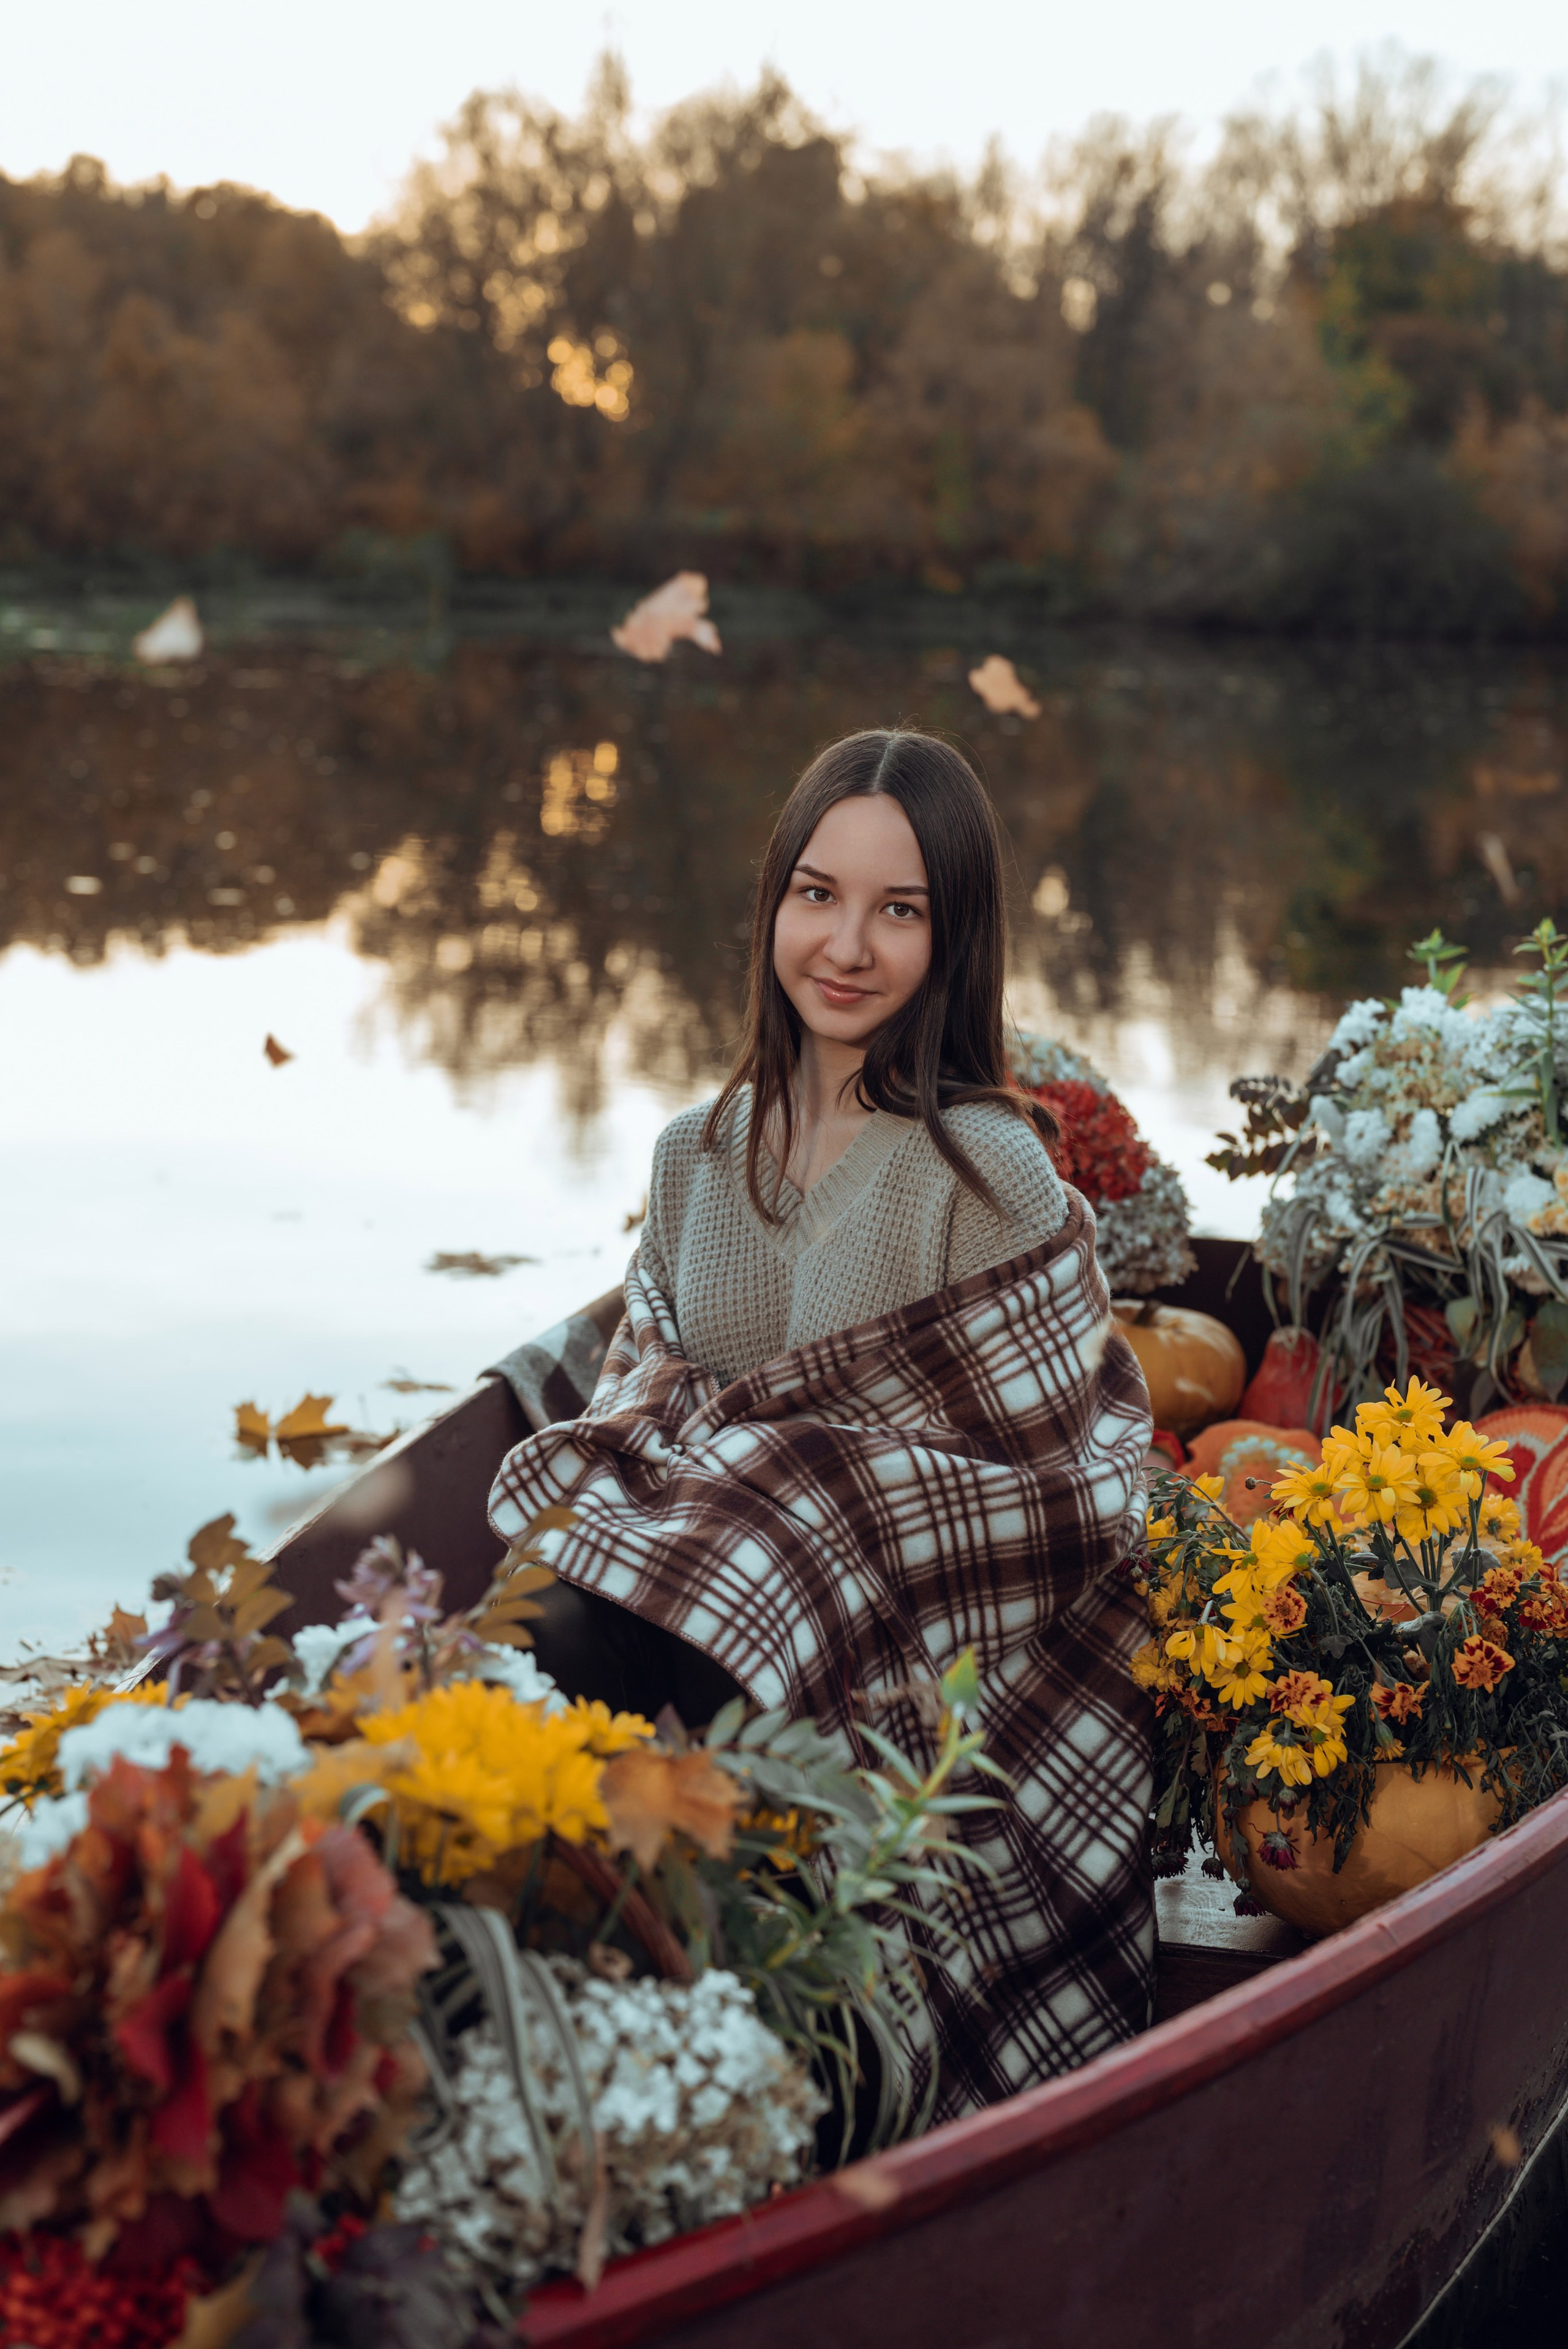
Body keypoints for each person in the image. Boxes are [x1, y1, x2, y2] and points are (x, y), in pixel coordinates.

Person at [489, 728, 1154, 2116]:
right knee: (550, 1597)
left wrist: (806, 1489)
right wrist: (753, 1485)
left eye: (897, 910)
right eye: (815, 893)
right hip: (698, 1610)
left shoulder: (987, 1171)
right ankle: (530, 1949)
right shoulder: (693, 1154)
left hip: (910, 1660)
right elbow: (643, 1401)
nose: (844, 944)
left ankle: (779, 2028)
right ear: (772, 907)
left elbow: (1062, 1483)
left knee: (776, 1500)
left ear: (952, 935)